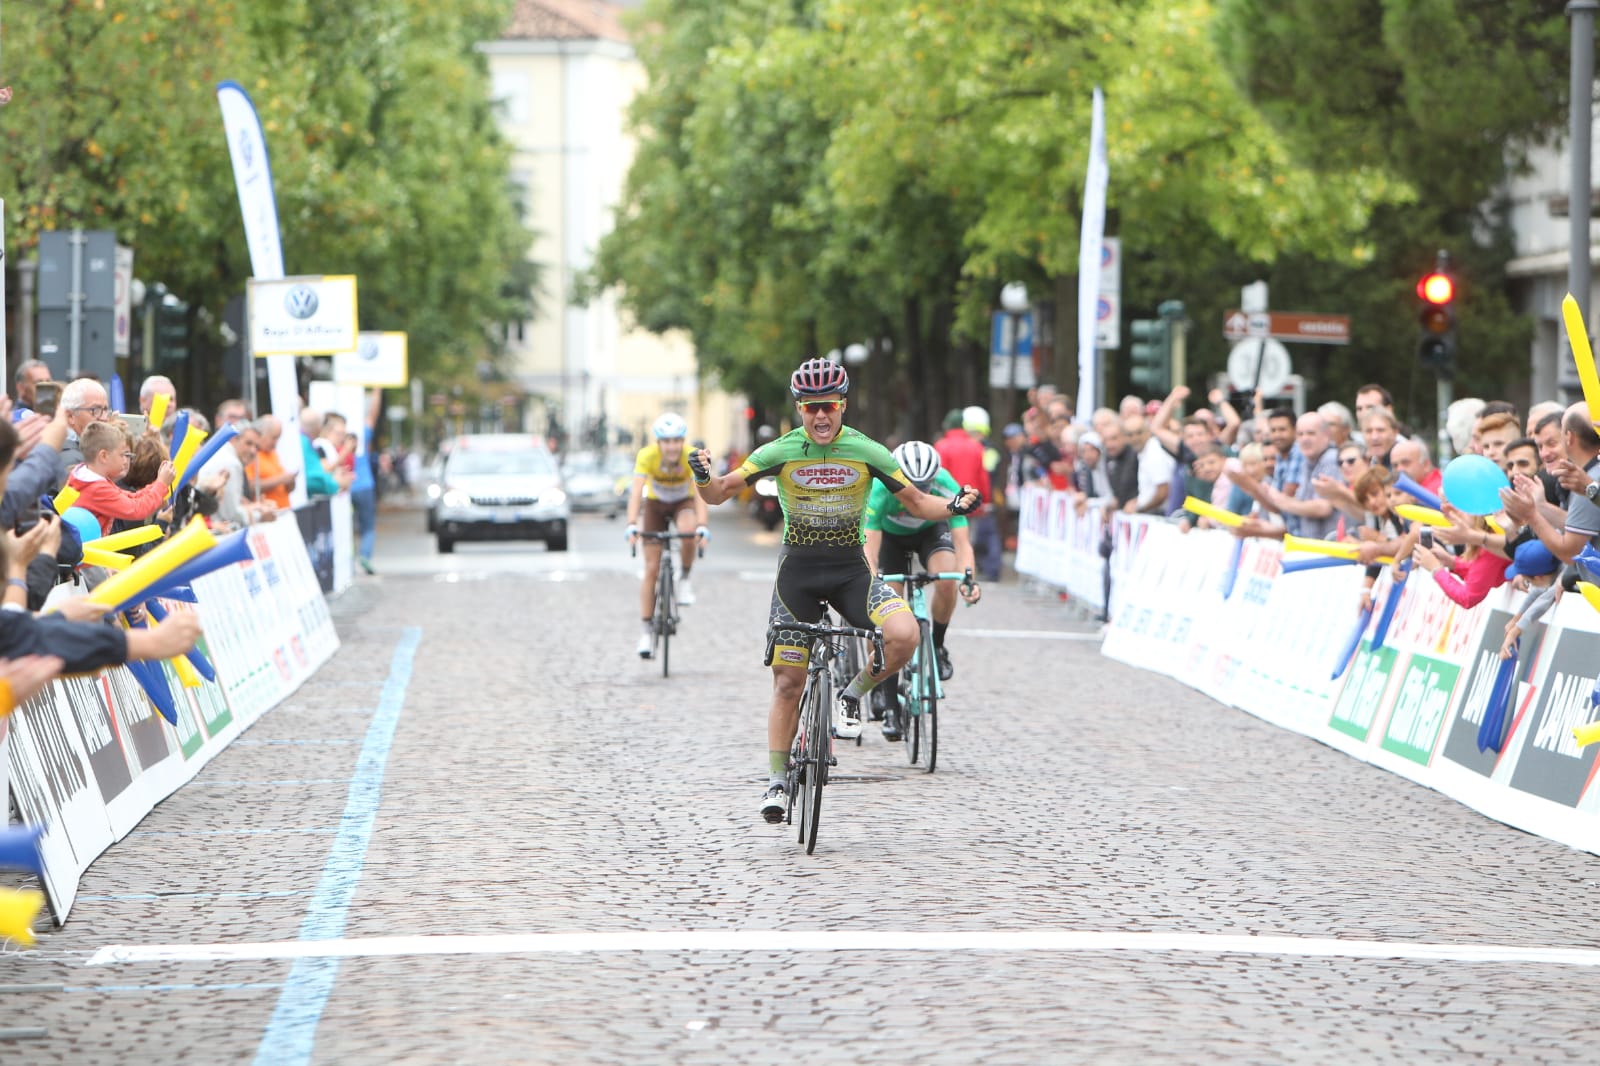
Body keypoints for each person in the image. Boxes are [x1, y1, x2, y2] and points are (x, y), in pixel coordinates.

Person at [685, 359, 978, 823]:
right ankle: (778, 781)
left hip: (850, 572)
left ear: (843, 405)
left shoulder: (867, 450)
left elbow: (918, 502)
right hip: (797, 574)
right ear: (799, 408)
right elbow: (719, 493)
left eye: (829, 407)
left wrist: (954, 504)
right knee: (788, 681)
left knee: (905, 634)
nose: (820, 417)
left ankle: (851, 695)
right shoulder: (780, 450)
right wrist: (702, 475)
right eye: (810, 408)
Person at [862, 440, 981, 738]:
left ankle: (938, 646)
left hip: (931, 530)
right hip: (889, 538)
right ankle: (888, 701)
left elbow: (963, 543)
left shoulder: (945, 486)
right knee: (887, 607)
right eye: (911, 485)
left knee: (946, 578)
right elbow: (870, 551)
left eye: (926, 485)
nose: (919, 492)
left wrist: (968, 578)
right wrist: (872, 580)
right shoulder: (880, 490)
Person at [625, 413, 710, 658]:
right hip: (655, 504)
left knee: (687, 531)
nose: (672, 447)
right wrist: (632, 523)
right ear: (658, 443)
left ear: (683, 441)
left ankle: (684, 579)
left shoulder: (691, 455)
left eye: (677, 441)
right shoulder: (647, 456)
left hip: (682, 502)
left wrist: (702, 525)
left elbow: (700, 494)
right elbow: (636, 491)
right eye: (667, 441)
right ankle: (645, 631)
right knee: (651, 568)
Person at [1501, 402, 1600, 569]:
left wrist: (1532, 515)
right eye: (1539, 446)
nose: (1544, 454)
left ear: (1568, 437)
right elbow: (1579, 525)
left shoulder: (1589, 480)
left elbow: (1571, 553)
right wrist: (1540, 506)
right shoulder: (1585, 477)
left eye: (1552, 442)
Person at [66, 422, 175, 536]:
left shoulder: (88, 478)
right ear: (103, 456)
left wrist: (156, 487)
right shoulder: (96, 488)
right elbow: (137, 509)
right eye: (123, 454)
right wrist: (161, 484)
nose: (126, 460)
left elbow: (132, 497)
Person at [197, 419, 271, 528]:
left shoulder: (223, 454)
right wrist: (260, 516)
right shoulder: (231, 462)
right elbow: (231, 514)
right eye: (248, 443)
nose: (253, 451)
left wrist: (252, 507)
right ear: (233, 439)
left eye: (257, 447)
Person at [58, 378, 115, 470]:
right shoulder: (74, 461)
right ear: (70, 416)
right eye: (95, 410)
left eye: (105, 409)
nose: (104, 418)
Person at [251, 415, 297, 510]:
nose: (276, 442)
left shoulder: (272, 453)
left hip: (283, 510)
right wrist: (280, 479)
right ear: (261, 434)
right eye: (274, 438)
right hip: (268, 513)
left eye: (278, 438)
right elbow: (250, 487)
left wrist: (290, 482)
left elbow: (286, 488)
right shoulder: (251, 455)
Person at [298, 408, 345, 497]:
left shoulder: (306, 442)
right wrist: (336, 484)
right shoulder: (308, 443)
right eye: (338, 433)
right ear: (319, 428)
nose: (341, 437)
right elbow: (316, 476)